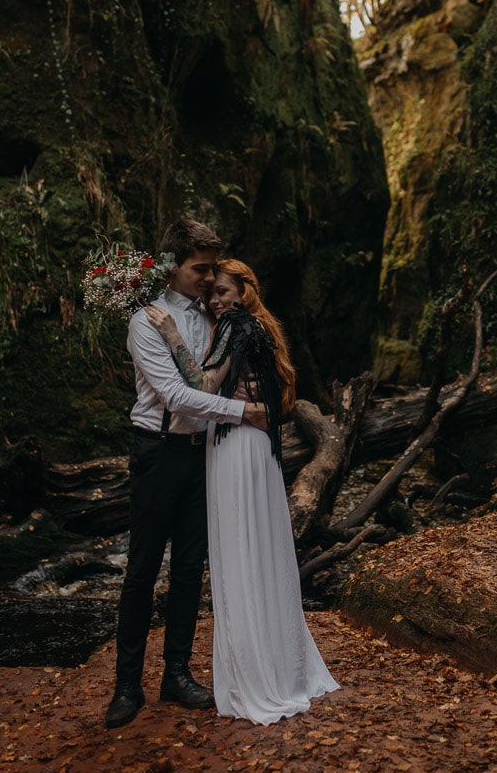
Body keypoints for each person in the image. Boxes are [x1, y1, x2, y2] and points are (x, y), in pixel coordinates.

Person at [145, 258, 339, 725]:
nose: (215, 301)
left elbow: (201, 384)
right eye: (211, 294)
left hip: (234, 444)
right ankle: (279, 664)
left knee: (239, 552)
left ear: (244, 291)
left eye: (224, 291)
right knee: (262, 550)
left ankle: (255, 677)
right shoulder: (259, 326)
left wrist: (172, 335)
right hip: (254, 445)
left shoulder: (235, 323)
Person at [105, 222, 268, 729]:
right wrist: (243, 413)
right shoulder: (146, 322)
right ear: (173, 264)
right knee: (142, 570)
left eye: (212, 269)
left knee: (188, 568)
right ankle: (127, 686)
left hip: (205, 454)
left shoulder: (216, 312)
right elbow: (177, 395)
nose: (208, 277)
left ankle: (175, 674)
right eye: (200, 268)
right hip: (157, 452)